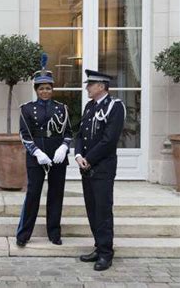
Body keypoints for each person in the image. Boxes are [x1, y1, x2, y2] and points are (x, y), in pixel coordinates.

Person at [16, 54, 72, 247]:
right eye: (41, 88)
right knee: (33, 194)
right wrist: (37, 153)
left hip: (57, 157)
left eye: (48, 88)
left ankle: (54, 233)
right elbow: (25, 135)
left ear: (52, 89)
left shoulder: (62, 108)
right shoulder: (27, 109)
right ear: (36, 90)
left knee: (56, 194)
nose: (45, 92)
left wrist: (64, 147)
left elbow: (69, 132)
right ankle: (23, 234)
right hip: (36, 158)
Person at [75, 69, 125, 271]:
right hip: (86, 167)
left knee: (103, 210)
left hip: (102, 167)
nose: (87, 87)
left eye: (90, 84)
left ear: (102, 86)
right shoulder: (89, 106)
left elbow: (109, 140)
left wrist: (89, 158)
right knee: (92, 209)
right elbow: (80, 133)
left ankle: (106, 253)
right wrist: (78, 155)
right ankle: (98, 245)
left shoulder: (115, 107)